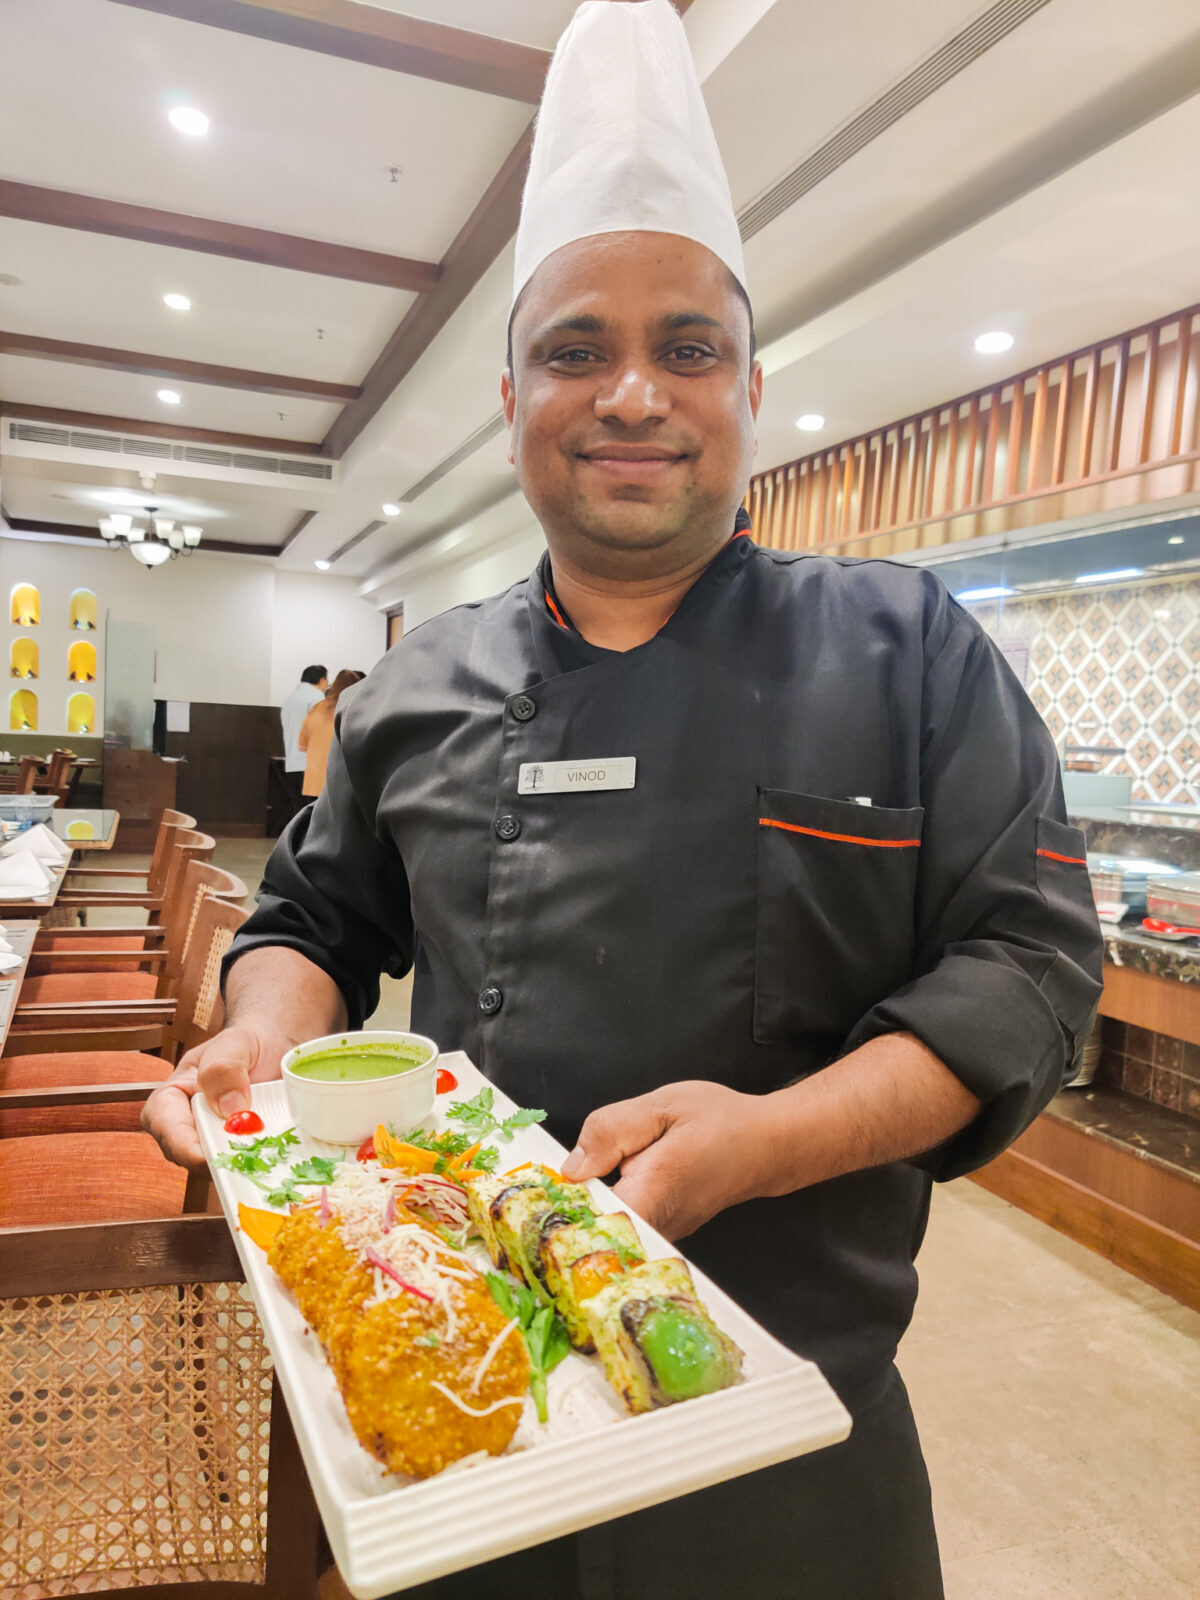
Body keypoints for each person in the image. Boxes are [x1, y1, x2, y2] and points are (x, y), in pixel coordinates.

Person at [145, 4, 1102, 1596]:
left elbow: (1030, 967)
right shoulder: (417, 685)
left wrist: (773, 1140)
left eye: (689, 349)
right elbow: (312, 921)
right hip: (472, 1423)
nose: (635, 394)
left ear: (752, 386)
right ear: (513, 395)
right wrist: (261, 1039)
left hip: (800, 1450)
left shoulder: (908, 651)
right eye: (577, 350)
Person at [298, 670, 365, 798]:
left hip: (314, 783)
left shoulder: (315, 709)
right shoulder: (353, 711)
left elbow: (302, 745)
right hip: (339, 785)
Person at [278, 664, 326, 816]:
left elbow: (285, 732)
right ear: (322, 680)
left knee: (298, 810)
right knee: (312, 812)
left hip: (292, 763)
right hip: (311, 765)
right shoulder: (317, 697)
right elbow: (320, 731)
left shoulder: (289, 699)